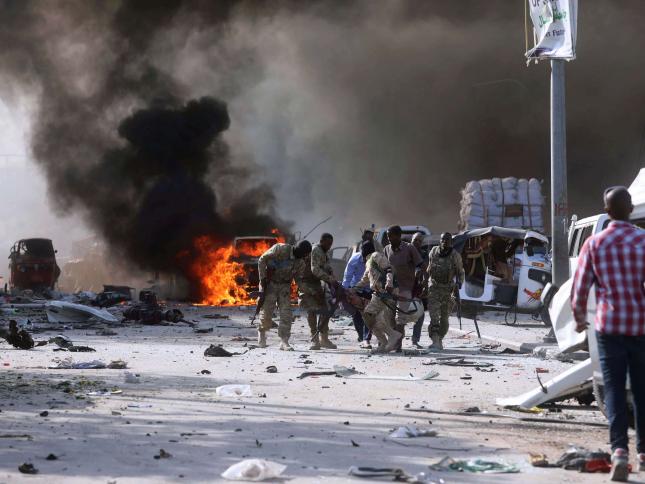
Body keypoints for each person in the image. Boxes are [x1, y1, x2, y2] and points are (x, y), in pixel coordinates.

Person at [571, 186, 645, 482]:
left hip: (608, 326)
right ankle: (644, 453)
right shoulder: (643, 241)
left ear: (606, 211)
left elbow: (580, 287)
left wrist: (579, 319)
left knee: (613, 389)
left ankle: (619, 454)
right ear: (631, 209)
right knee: (642, 389)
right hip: (640, 325)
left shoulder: (595, 243)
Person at [257, 240, 312, 351]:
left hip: (284, 287)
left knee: (286, 314)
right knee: (267, 312)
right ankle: (262, 333)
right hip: (270, 284)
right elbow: (262, 259)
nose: (305, 257)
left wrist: (306, 292)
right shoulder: (280, 249)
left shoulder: (300, 263)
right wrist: (262, 279)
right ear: (298, 250)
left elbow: (298, 279)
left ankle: (284, 341)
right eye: (304, 254)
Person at [354, 244, 402, 353]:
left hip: (385, 293)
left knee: (369, 315)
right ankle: (384, 341)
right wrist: (353, 289)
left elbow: (388, 269)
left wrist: (389, 283)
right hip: (379, 294)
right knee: (373, 319)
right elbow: (365, 280)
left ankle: (391, 336)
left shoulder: (375, 256)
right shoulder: (369, 263)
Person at [383, 225, 423, 351]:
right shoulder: (386, 249)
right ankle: (394, 340)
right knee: (389, 318)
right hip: (391, 289)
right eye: (388, 236)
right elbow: (384, 268)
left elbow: (420, 265)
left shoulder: (409, 248)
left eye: (391, 236)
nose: (389, 238)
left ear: (398, 236)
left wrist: (418, 273)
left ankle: (397, 345)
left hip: (405, 288)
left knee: (400, 318)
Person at [426, 232, 465, 350]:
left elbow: (461, 272)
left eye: (447, 240)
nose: (444, 242)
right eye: (442, 239)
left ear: (451, 242)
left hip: (447, 290)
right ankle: (435, 340)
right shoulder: (433, 251)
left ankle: (439, 339)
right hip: (434, 287)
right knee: (434, 316)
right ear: (440, 240)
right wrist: (425, 283)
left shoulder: (455, 255)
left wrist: (459, 284)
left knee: (444, 319)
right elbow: (429, 267)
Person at [300, 233, 338, 350]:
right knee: (312, 310)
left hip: (316, 283)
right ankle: (315, 340)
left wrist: (332, 275)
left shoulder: (324, 252)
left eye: (331, 244)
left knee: (324, 310)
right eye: (328, 244)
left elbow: (326, 266)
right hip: (307, 283)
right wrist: (329, 279)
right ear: (322, 241)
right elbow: (315, 269)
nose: (329, 246)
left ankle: (324, 339)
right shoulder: (316, 250)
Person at [342, 241, 372, 346]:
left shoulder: (377, 260)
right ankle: (361, 336)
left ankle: (366, 338)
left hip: (370, 289)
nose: (365, 260)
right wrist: (345, 292)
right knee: (357, 314)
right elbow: (347, 277)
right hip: (356, 289)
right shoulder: (354, 259)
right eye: (364, 257)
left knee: (369, 313)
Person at [410, 232, 429, 348]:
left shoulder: (424, 254)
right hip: (404, 287)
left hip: (417, 287)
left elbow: (426, 269)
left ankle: (415, 339)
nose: (417, 242)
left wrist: (425, 286)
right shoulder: (405, 251)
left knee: (420, 314)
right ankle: (396, 339)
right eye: (415, 240)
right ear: (411, 240)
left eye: (419, 241)